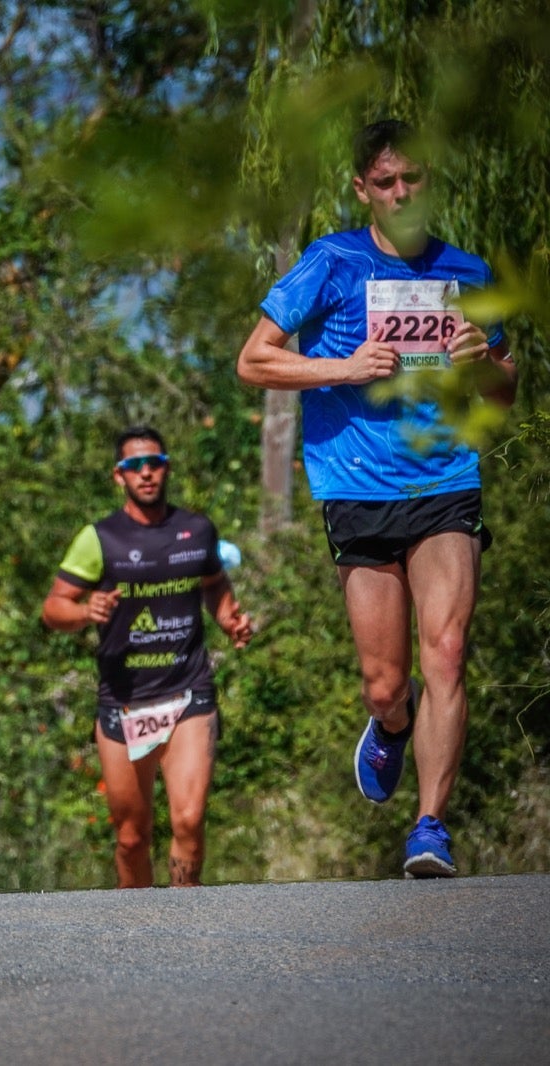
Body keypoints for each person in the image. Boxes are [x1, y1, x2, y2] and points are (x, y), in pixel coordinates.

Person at [237, 119, 516, 878]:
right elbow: (254, 361)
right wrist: (345, 367)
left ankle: (430, 827)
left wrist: (484, 359)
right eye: (385, 182)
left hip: (444, 479)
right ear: (363, 189)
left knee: (449, 651)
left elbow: (506, 388)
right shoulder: (330, 261)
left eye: (413, 179)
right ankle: (389, 724)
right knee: (387, 682)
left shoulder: (468, 272)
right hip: (355, 485)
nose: (400, 193)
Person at [42, 427, 252, 888]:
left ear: (167, 467)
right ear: (119, 477)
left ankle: (183, 915)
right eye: (135, 466)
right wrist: (83, 610)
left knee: (189, 820)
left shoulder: (197, 530)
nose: (147, 473)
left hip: (188, 694)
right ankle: (138, 930)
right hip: (123, 702)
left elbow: (214, 582)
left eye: (154, 462)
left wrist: (229, 618)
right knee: (132, 836)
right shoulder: (99, 538)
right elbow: (53, 608)